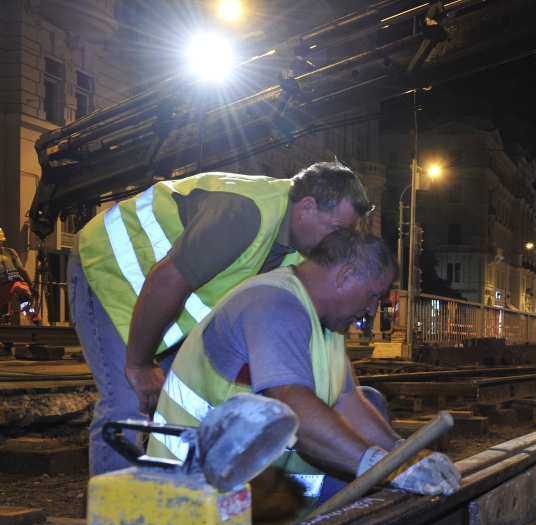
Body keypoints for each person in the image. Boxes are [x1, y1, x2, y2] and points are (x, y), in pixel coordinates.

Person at [69, 161, 373, 475]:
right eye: (336, 231)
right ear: (306, 207)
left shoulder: (304, 248)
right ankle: (113, 518)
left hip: (163, 301)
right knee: (127, 405)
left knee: (187, 401)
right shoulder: (245, 214)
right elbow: (165, 282)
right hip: (109, 270)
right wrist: (140, 364)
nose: (338, 245)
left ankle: (171, 500)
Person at [145, 228, 460, 523]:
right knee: (367, 492)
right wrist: (379, 465)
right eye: (372, 296)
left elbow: (347, 401)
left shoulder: (326, 320)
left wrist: (403, 454)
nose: (372, 311)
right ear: (346, 275)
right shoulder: (275, 305)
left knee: (371, 408)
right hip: (201, 482)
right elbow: (293, 406)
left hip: (251, 470)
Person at [0, 228, 41, 334]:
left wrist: (31, 285)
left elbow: (22, 270)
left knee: (23, 294)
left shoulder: (10, 252)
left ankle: (36, 321)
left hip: (13, 283)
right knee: (3, 316)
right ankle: (5, 342)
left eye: (0, 241)